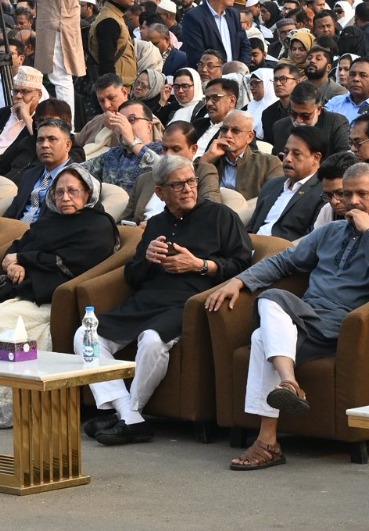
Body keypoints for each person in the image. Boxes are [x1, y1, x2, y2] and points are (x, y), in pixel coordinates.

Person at [206, 162, 369, 471]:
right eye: (346, 194)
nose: (352, 201)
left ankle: (283, 396)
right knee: (261, 334)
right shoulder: (331, 231)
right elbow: (284, 261)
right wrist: (239, 281)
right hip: (307, 317)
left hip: (344, 324)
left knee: (269, 305)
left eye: (362, 194)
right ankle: (271, 433)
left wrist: (368, 232)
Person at [82, 154, 252, 445]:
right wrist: (147, 259)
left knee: (151, 340)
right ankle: (128, 414)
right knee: (86, 336)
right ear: (160, 192)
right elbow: (133, 276)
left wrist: (199, 265)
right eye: (178, 185)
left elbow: (243, 265)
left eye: (191, 182)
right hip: (148, 300)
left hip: (189, 302)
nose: (188, 189)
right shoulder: (156, 223)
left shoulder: (222, 217)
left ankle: (131, 413)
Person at [0, 164, 120, 425]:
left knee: (0, 320)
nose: (65, 197)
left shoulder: (98, 225)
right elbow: (19, 245)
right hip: (25, 287)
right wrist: (12, 264)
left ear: (88, 192)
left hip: (54, 296)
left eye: (72, 191)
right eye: (59, 192)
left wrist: (24, 259)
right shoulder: (49, 220)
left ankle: (0, 405)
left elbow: (72, 261)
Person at [247, 123, 329, 242]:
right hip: (251, 246)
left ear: (316, 158)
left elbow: (312, 239)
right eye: (286, 152)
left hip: (284, 250)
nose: (288, 159)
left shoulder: (323, 192)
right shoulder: (272, 184)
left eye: (296, 154)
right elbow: (251, 226)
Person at [180, 0, 244, 65]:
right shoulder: (193, 17)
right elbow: (196, 54)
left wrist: (240, 68)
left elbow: (245, 45)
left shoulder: (234, 14)